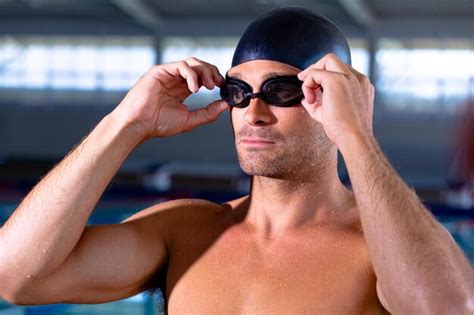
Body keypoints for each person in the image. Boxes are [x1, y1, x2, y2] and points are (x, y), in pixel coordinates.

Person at [0, 6, 472, 314]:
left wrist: (356, 135)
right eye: (238, 93)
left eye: (283, 91)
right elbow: (15, 277)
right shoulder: (186, 232)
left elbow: (448, 307)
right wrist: (126, 122)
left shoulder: (380, 249)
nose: (255, 113)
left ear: (334, 98)